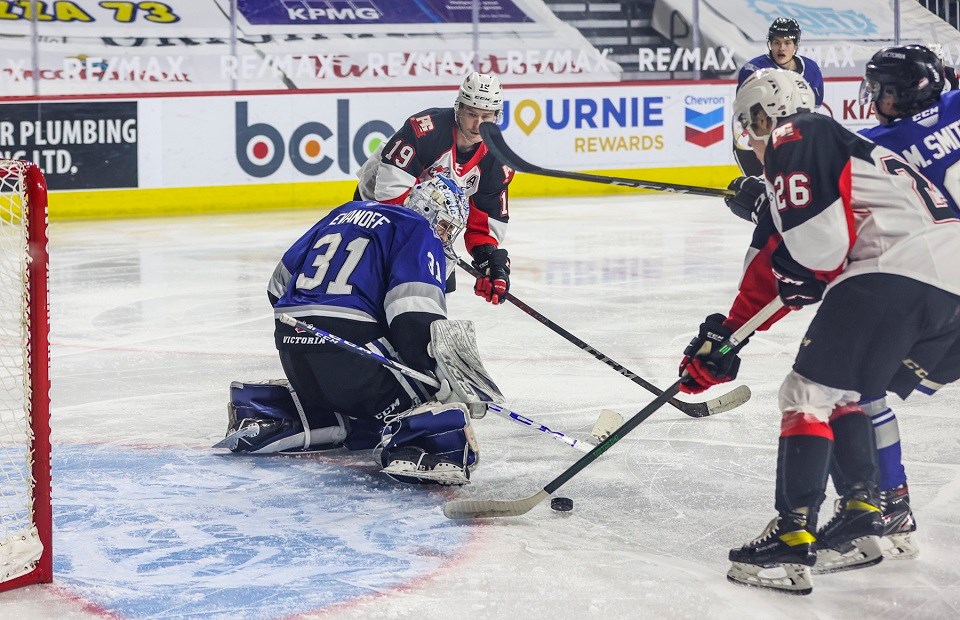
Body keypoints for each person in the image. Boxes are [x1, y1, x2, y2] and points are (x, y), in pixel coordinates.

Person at [683, 68, 960, 594]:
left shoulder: (795, 136)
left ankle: (791, 542)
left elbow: (818, 254)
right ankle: (863, 519)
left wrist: (802, 272)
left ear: (762, 117)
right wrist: (728, 337)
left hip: (898, 271)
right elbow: (779, 269)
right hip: (951, 291)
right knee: (848, 391)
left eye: (751, 125)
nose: (752, 138)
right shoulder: (844, 146)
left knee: (804, 393)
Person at [220, 175, 484, 486]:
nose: (444, 234)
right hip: (352, 360)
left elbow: (277, 287)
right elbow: (413, 319)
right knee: (432, 386)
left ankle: (293, 413)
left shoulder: (342, 212)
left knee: (364, 383)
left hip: (294, 355)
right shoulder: (418, 229)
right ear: (427, 210)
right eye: (445, 225)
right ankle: (418, 445)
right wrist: (436, 378)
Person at [355, 72, 513, 305]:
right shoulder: (424, 131)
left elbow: (483, 229)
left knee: (438, 287)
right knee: (375, 278)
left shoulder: (497, 161)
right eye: (471, 114)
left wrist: (492, 264)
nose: (478, 125)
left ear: (496, 116)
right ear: (458, 108)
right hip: (374, 208)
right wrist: (421, 246)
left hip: (433, 223)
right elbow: (390, 201)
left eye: (486, 116)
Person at [732, 18, 824, 176]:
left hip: (791, 142)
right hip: (756, 140)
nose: (781, 48)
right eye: (776, 42)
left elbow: (811, 111)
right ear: (770, 43)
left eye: (787, 43)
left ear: (796, 45)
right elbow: (746, 113)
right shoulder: (753, 70)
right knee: (762, 190)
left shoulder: (811, 69)